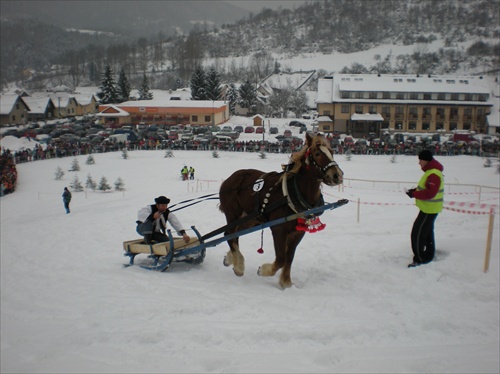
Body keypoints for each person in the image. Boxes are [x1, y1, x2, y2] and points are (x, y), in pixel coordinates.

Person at [405, 150, 444, 268]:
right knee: (427, 233)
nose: (419, 163)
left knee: (417, 234)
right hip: (428, 208)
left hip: (429, 209)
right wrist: (414, 191)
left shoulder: (433, 174)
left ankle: (420, 258)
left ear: (427, 160)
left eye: (420, 160)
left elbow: (430, 193)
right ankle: (429, 255)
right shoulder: (431, 172)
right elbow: (426, 188)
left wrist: (414, 194)